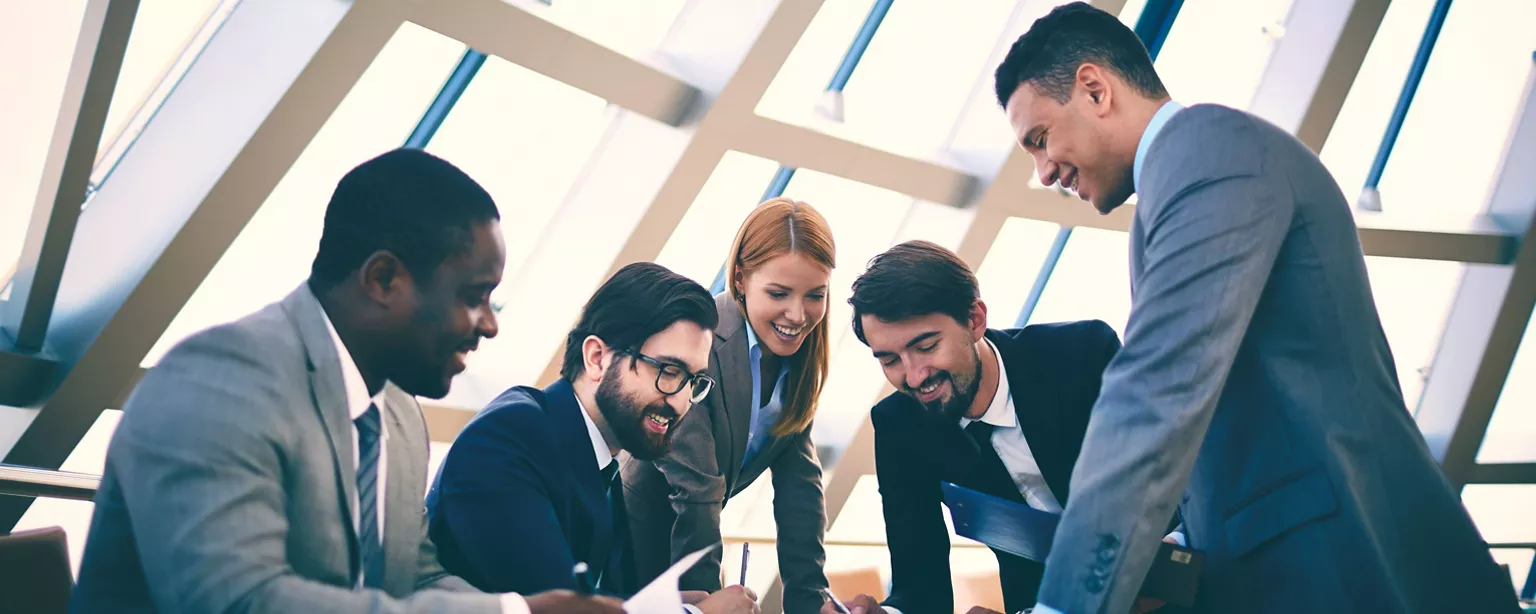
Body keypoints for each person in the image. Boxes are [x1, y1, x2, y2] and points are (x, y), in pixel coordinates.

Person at [992, 3, 1521, 613]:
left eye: (1040, 139)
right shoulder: (1190, 172)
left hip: (1337, 563)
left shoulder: (1208, 153)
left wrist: (1067, 604)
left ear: (1094, 89)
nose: (1043, 171)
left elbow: (1156, 392)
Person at [69, 148, 621, 613]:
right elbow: (243, 600)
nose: (490, 325)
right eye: (473, 296)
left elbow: (415, 578)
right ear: (384, 278)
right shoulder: (218, 383)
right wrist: (513, 613)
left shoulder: (399, 417)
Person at [426, 262, 760, 614]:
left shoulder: (597, 458)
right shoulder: (508, 441)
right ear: (597, 358)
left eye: (693, 382)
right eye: (668, 371)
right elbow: (554, 607)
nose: (680, 401)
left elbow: (592, 598)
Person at [816, 240, 1121, 614]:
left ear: (975, 320)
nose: (914, 377)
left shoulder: (1081, 357)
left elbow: (1184, 490)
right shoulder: (900, 427)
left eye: (927, 346)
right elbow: (919, 586)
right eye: (891, 360)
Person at [624, 198, 835, 614]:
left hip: (689, 543)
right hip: (633, 547)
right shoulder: (698, 343)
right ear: (740, 278)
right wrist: (708, 604)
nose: (798, 314)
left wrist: (811, 603)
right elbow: (696, 488)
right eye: (779, 293)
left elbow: (800, 493)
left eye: (815, 295)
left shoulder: (800, 363)